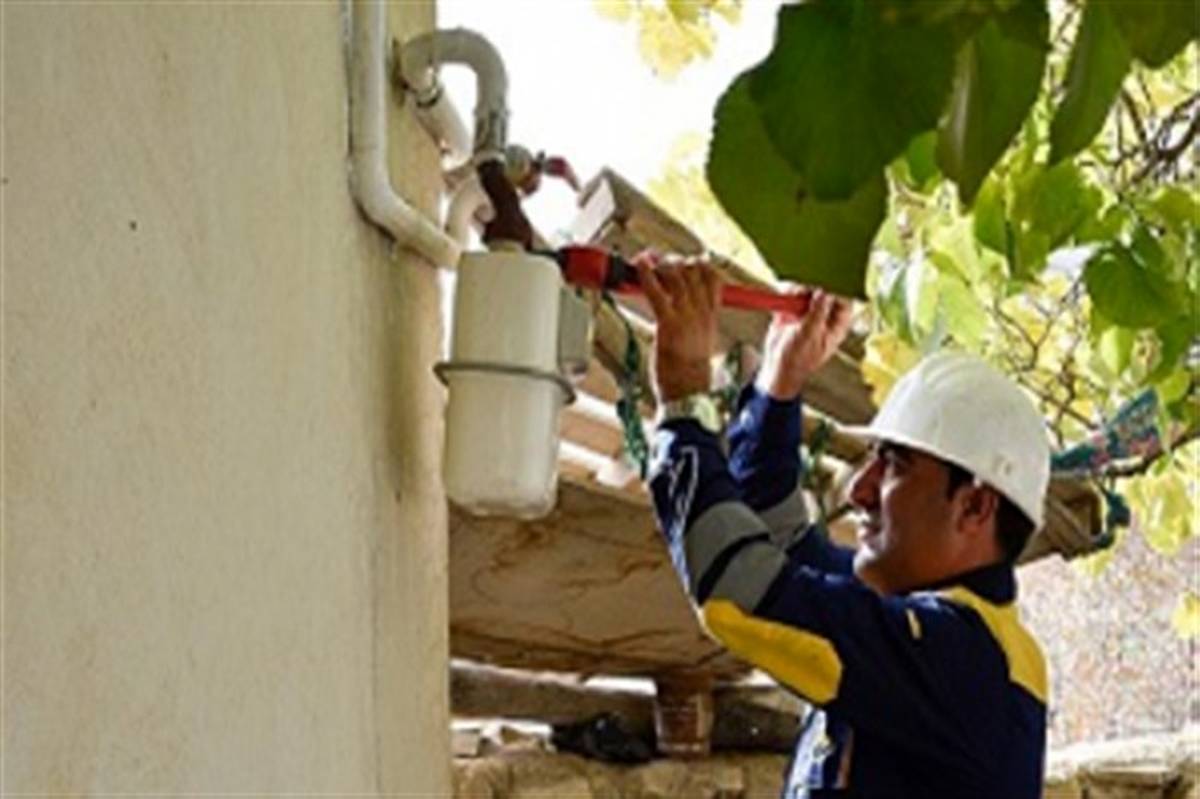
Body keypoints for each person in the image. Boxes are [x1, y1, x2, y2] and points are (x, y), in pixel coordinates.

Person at [634, 257, 1052, 799]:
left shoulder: (966, 661)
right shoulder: (914, 629)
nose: (859, 489)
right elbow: (775, 539)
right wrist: (780, 381)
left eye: (895, 467)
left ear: (974, 507)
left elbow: (741, 590)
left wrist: (684, 404)